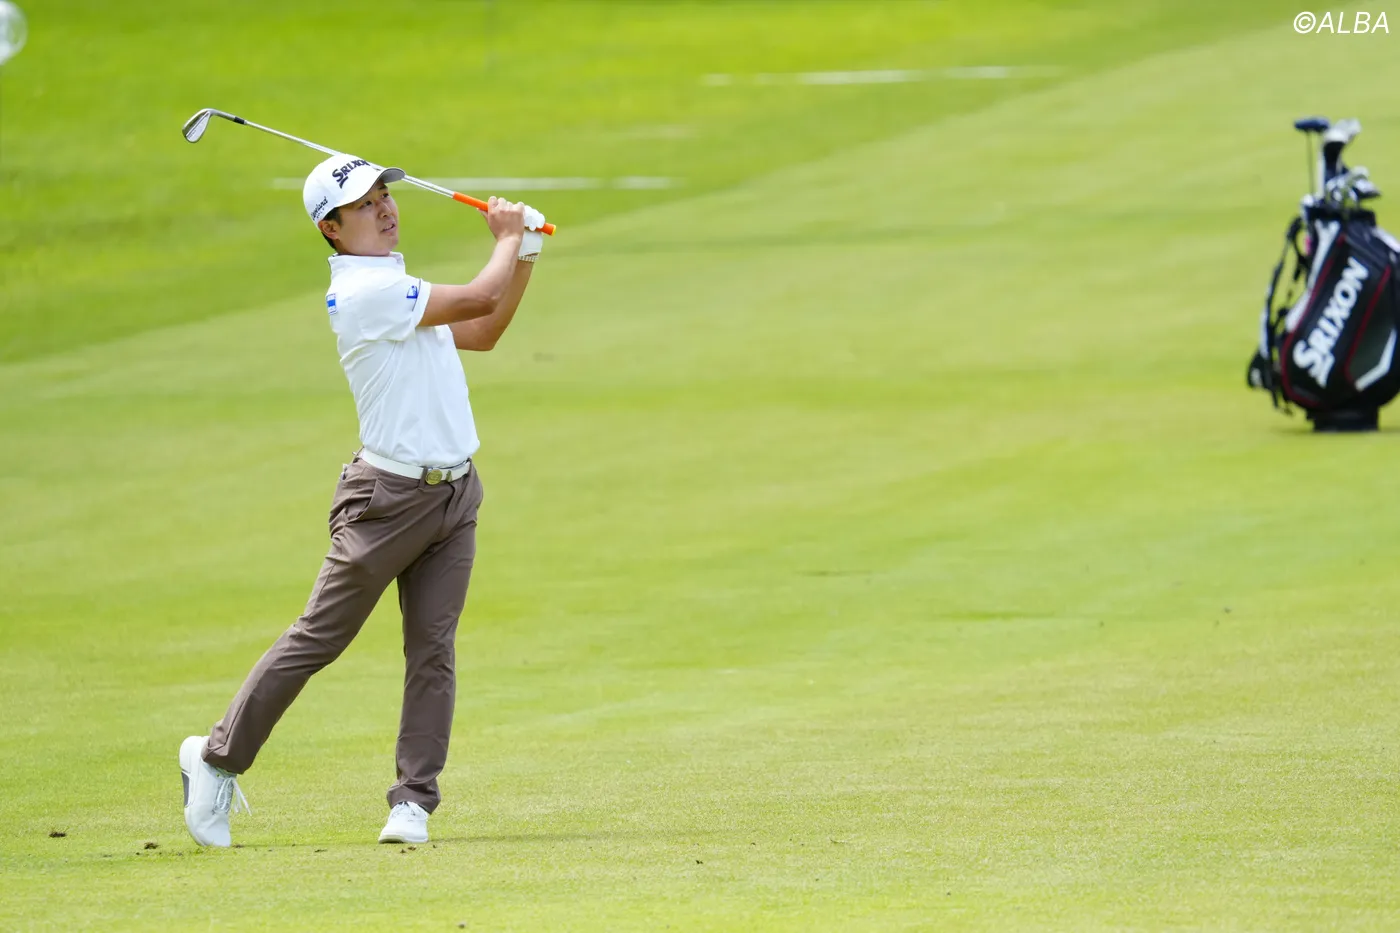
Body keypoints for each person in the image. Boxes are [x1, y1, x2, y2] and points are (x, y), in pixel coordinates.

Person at [178, 152, 545, 847]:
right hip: (386, 501)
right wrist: (505, 238)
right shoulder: (361, 293)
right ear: (331, 229)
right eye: (364, 204)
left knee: (432, 650)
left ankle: (413, 802)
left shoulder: (400, 286)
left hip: (454, 494)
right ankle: (215, 758)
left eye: (385, 196)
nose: (385, 209)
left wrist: (524, 252)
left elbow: (485, 331)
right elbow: (477, 299)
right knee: (320, 637)